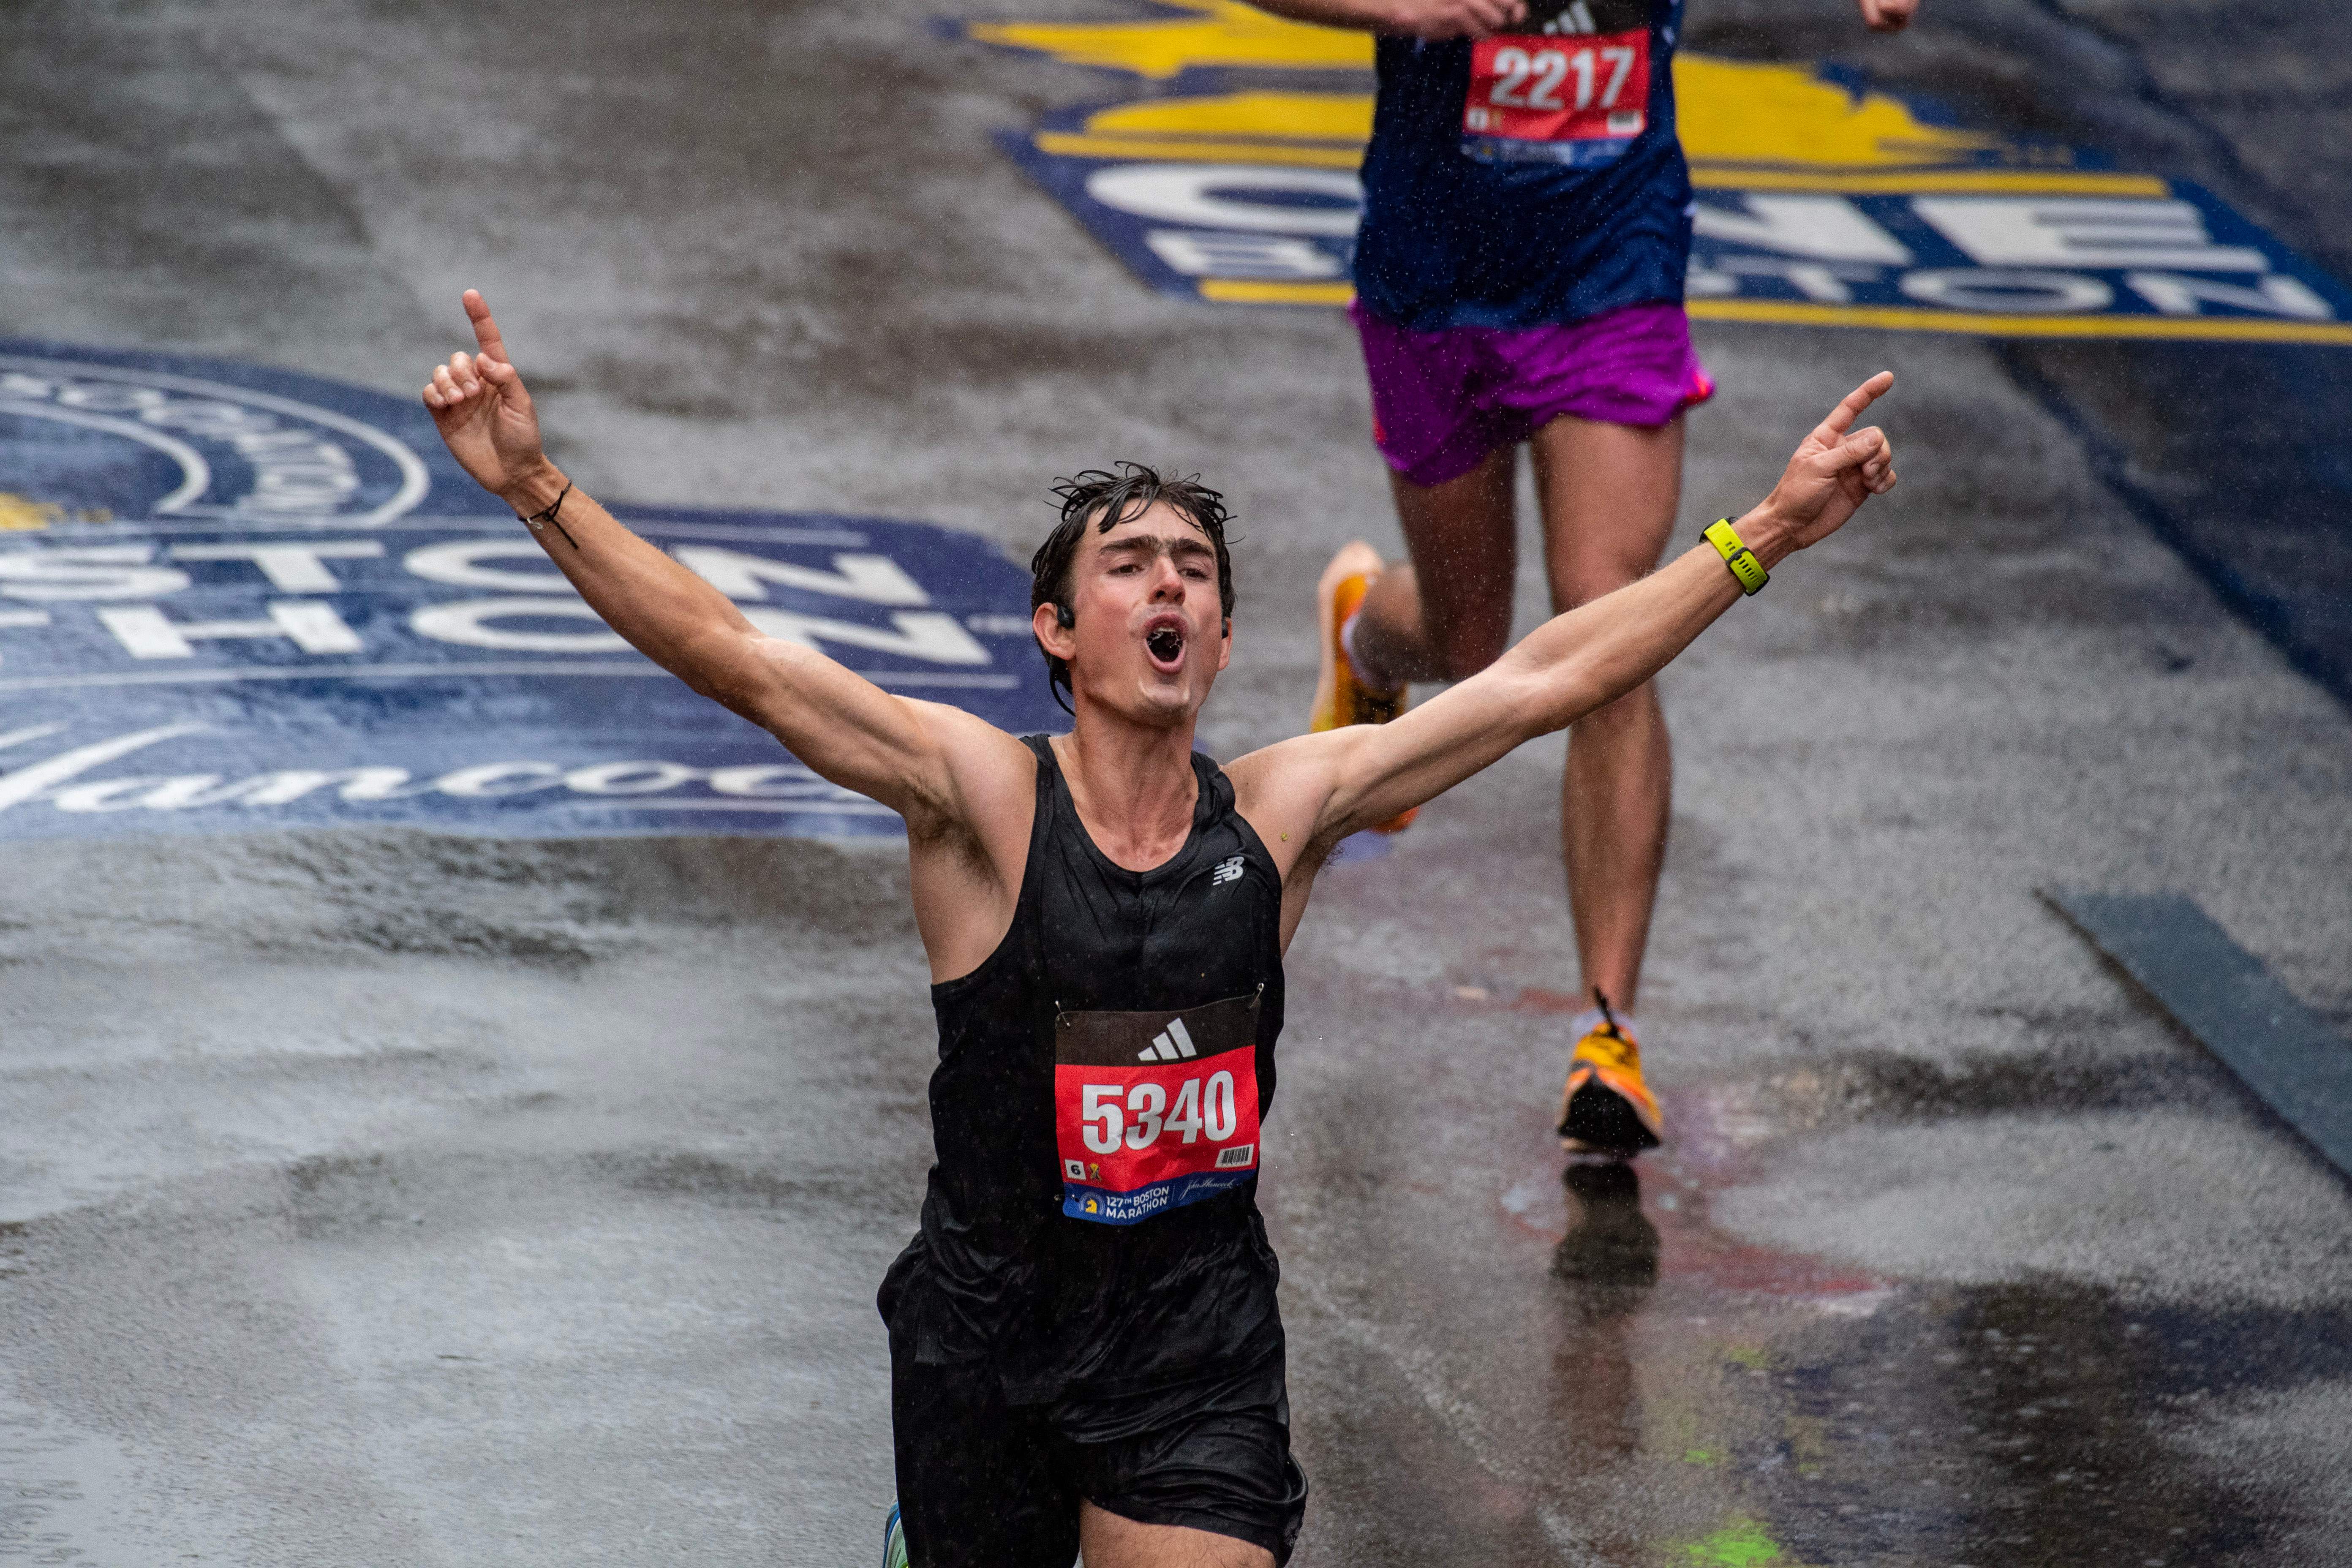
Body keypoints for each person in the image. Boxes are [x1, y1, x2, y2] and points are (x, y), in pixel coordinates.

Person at [420, 289, 1897, 1568]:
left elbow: (1539, 682)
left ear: (1225, 639)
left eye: (1194, 567)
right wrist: (538, 485)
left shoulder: (1281, 809)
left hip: (1194, 1348)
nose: (1169, 579)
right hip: (986, 1336)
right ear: (1061, 632)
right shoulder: (977, 797)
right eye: (1129, 564)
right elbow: (739, 659)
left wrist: (1764, 530)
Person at [1240, 0, 1917, 1157]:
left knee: (1606, 624)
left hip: (1616, 261)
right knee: (1473, 648)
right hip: (1433, 273)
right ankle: (1365, 633)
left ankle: (1608, 1032)